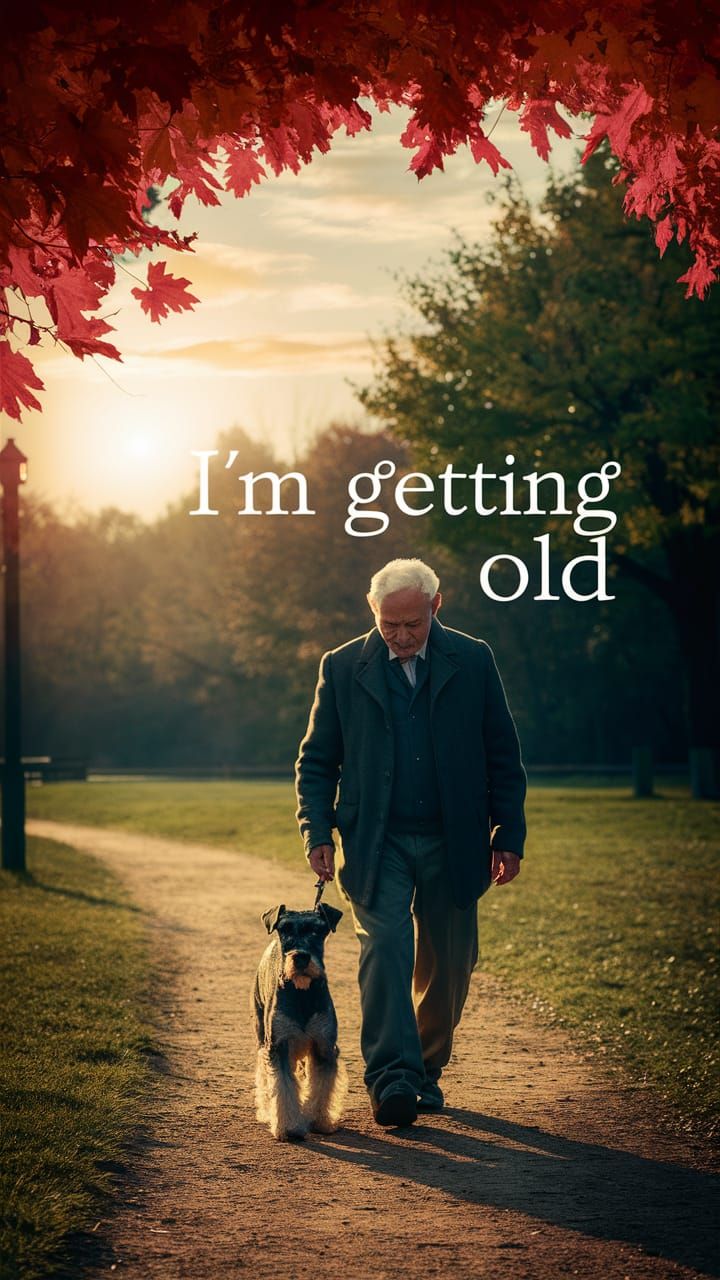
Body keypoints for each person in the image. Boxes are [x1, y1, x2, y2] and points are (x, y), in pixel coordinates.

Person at [294, 558, 526, 1128]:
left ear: (435, 608)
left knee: (450, 964)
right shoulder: (343, 666)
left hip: (457, 838)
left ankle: (423, 1070)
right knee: (386, 949)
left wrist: (508, 834)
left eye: (411, 625)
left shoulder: (472, 660)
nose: (399, 637)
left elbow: (503, 752)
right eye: (388, 625)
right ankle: (391, 1078)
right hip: (378, 841)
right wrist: (317, 831)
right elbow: (317, 762)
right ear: (373, 613)